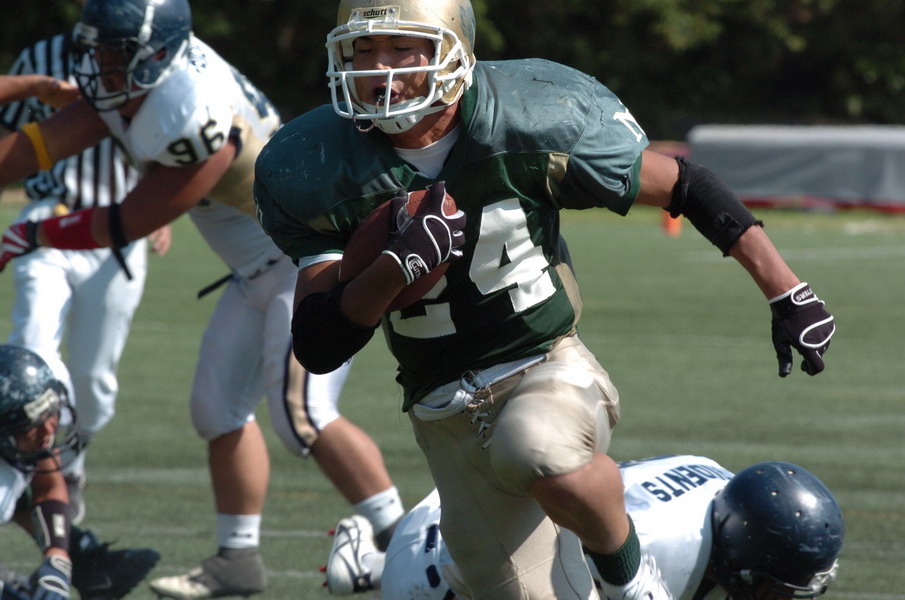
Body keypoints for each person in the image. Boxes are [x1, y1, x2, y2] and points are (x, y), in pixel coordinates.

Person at [251, 0, 837, 598]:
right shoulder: (313, 163)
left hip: (546, 364)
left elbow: (685, 185)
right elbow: (320, 344)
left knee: (536, 446)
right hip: (440, 410)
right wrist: (396, 267)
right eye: (364, 50)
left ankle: (633, 580)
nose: (380, 68)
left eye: (402, 48)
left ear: (451, 52)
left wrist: (788, 291)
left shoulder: (529, 115)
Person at [0, 1, 406, 597]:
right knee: (216, 411)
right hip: (254, 270)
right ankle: (237, 559)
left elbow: (130, 219)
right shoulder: (138, 84)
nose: (97, 64)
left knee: (303, 415)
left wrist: (30, 234)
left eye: (114, 53)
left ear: (156, 55)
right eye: (96, 50)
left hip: (305, 261)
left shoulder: (191, 106)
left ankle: (408, 537)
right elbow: (37, 147)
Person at [0, 29, 172, 526]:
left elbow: (167, 141)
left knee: (95, 383)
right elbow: (8, 130)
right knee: (33, 346)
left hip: (117, 228)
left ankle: (68, 463)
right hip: (47, 219)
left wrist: (156, 207)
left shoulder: (152, 56)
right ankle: (26, 472)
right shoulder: (41, 55)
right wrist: (36, 86)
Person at [325, 455, 845, 600]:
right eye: (775, 591)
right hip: (439, 573)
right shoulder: (658, 548)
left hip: (467, 511)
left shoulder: (720, 485)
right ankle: (387, 568)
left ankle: (366, 563)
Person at [0, 344, 161, 600]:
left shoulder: (41, 385)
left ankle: (82, 560)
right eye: (32, 426)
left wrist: (57, 559)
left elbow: (47, 485)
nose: (49, 430)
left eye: (50, 415)